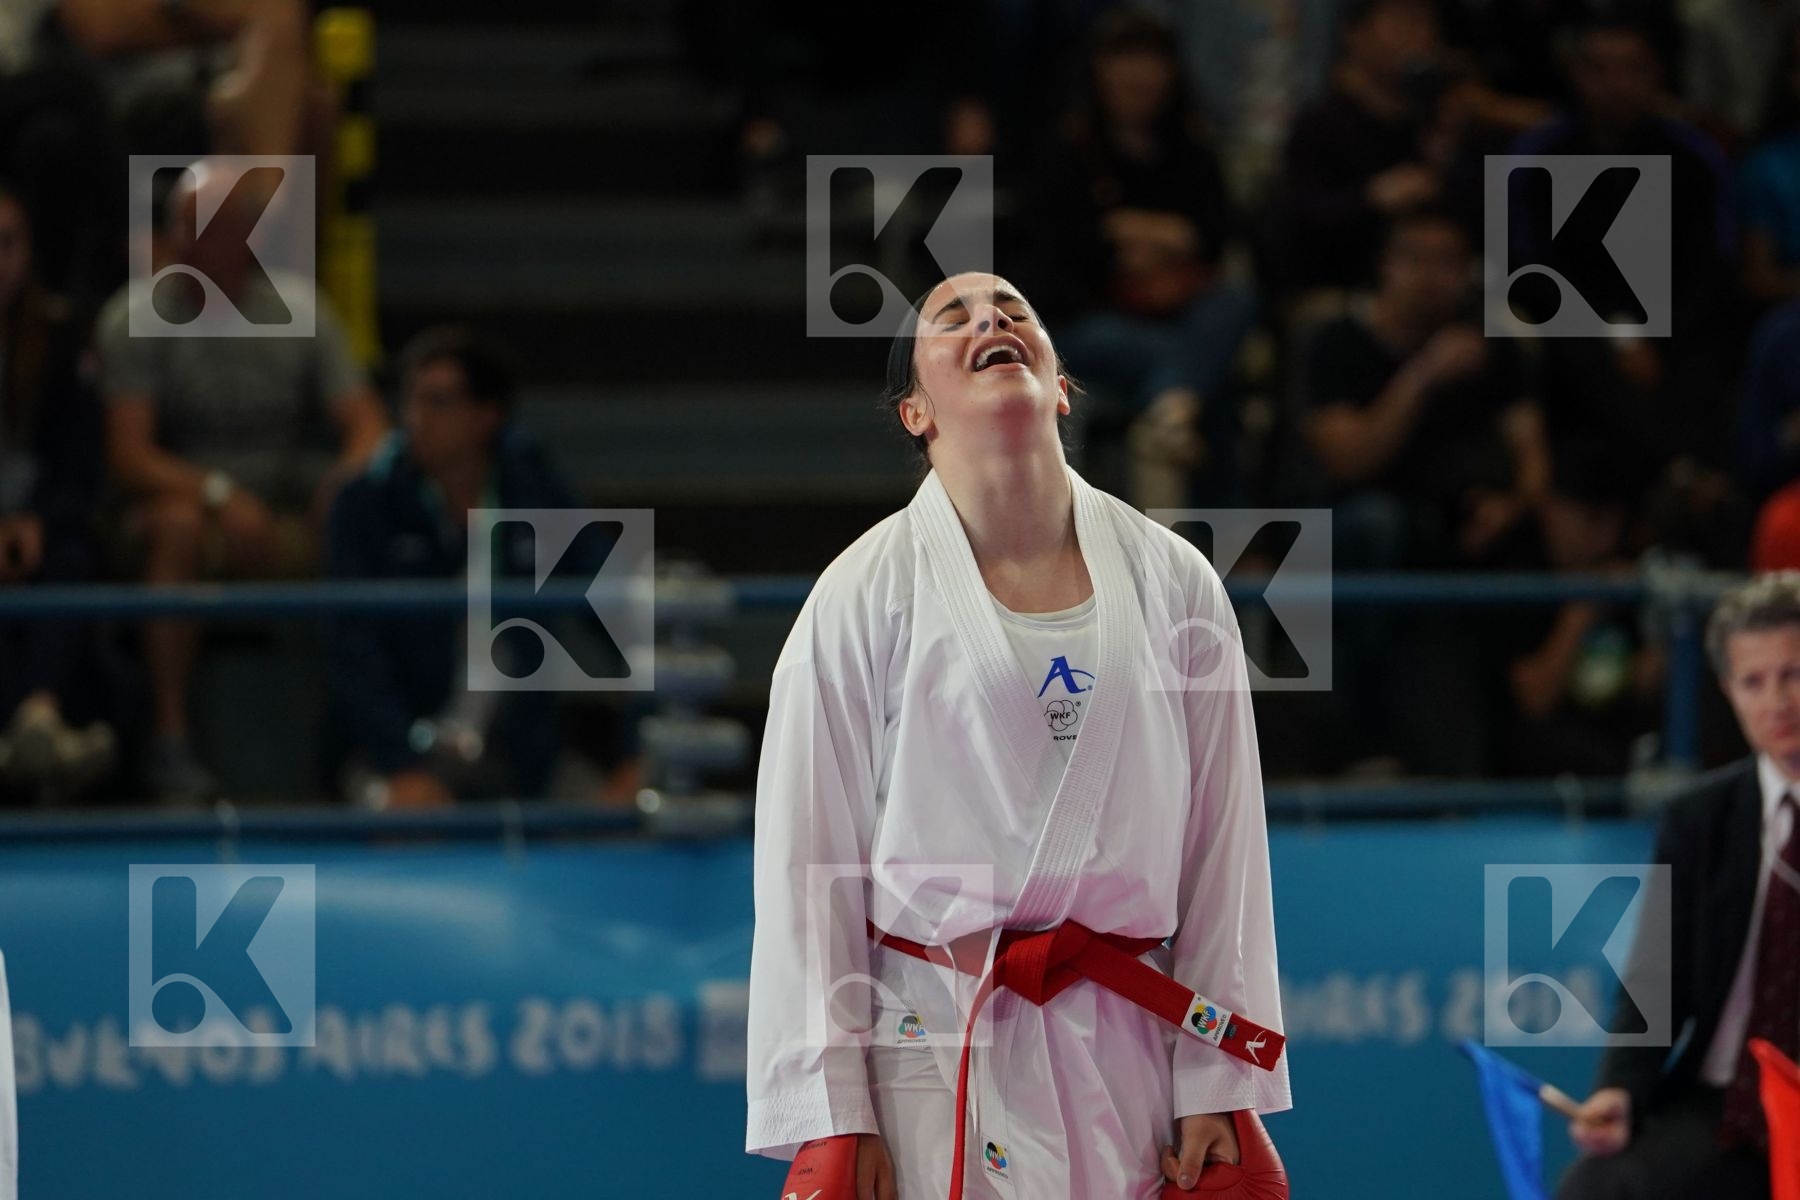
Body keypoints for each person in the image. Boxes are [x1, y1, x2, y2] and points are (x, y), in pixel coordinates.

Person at [745, 273, 1290, 1196]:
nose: (991, 320)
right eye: (951, 320)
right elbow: (807, 864)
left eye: (1014, 310)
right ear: (914, 411)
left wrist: (1220, 1073)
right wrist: (834, 1111)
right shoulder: (859, 595)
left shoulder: (1178, 584)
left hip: (1130, 1046)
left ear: (1062, 387)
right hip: (932, 1044)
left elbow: (1225, 850)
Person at [97, 160, 386, 802]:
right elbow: (131, 456)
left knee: (364, 514)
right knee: (175, 527)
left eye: (212, 227)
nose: (191, 242)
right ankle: (171, 744)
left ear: (248, 234)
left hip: (280, 505)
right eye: (183, 225)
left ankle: (364, 738)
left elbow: (368, 425)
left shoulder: (303, 310)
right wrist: (219, 497)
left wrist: (344, 480)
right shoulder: (133, 317)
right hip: (171, 507)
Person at [1558, 572, 1800, 1200]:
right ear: (1728, 691)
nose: (1777, 700)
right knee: (1595, 1189)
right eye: (1754, 681)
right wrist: (1621, 1088)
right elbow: (1655, 982)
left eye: (1793, 673)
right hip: (1723, 1106)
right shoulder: (1701, 819)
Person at [323, 326, 596, 809]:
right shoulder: (364, 504)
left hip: (523, 759)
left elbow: (629, 615)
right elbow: (351, 651)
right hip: (395, 757)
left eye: (438, 402)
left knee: (619, 833)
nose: (415, 419)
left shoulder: (539, 493)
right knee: (405, 826)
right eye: (411, 400)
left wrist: (638, 758)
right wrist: (401, 766)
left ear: (486, 415)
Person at [0, 183, 113, 798]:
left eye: (7, 244)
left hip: (36, 526)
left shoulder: (60, 339)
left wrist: (36, 520)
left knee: (67, 556)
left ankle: (37, 721)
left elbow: (80, 462)